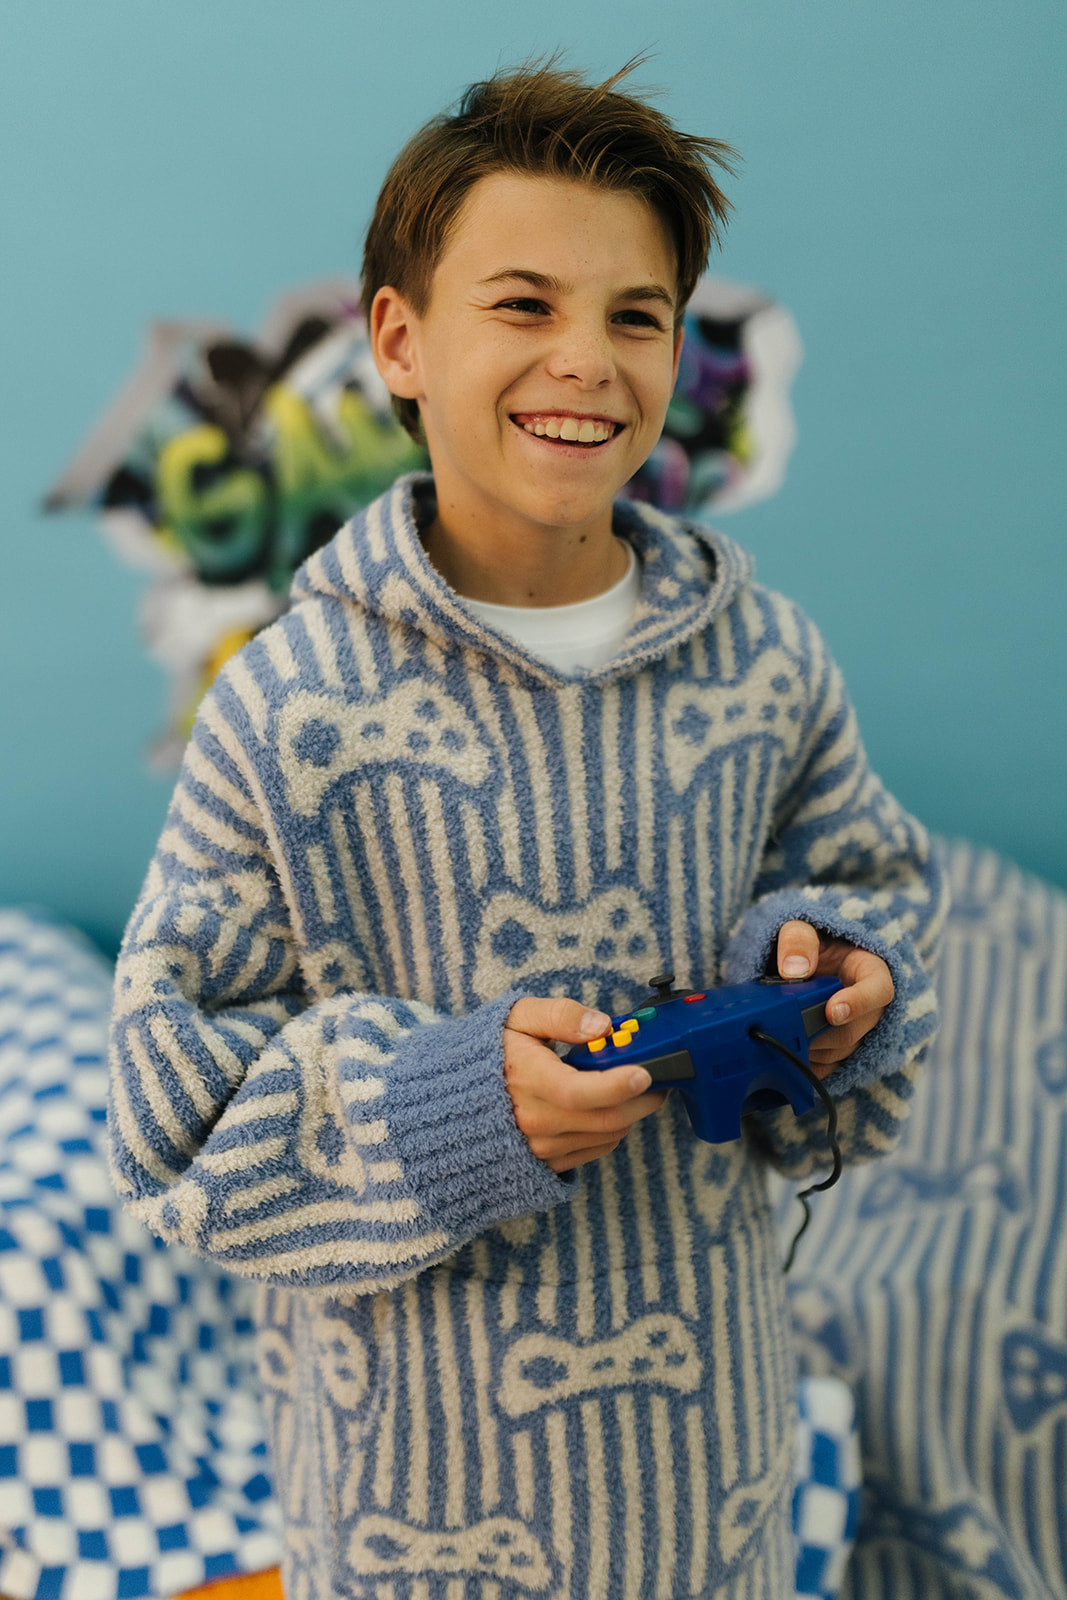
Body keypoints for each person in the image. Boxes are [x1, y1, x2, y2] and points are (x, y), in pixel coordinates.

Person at [109, 61, 948, 1599]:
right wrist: (449, 1110)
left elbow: (873, 889)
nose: (588, 359)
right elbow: (175, 1110)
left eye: (637, 315)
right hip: (405, 1514)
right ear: (400, 341)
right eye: (524, 303)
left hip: (713, 1489)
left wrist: (829, 978)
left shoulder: (765, 663)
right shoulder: (288, 707)